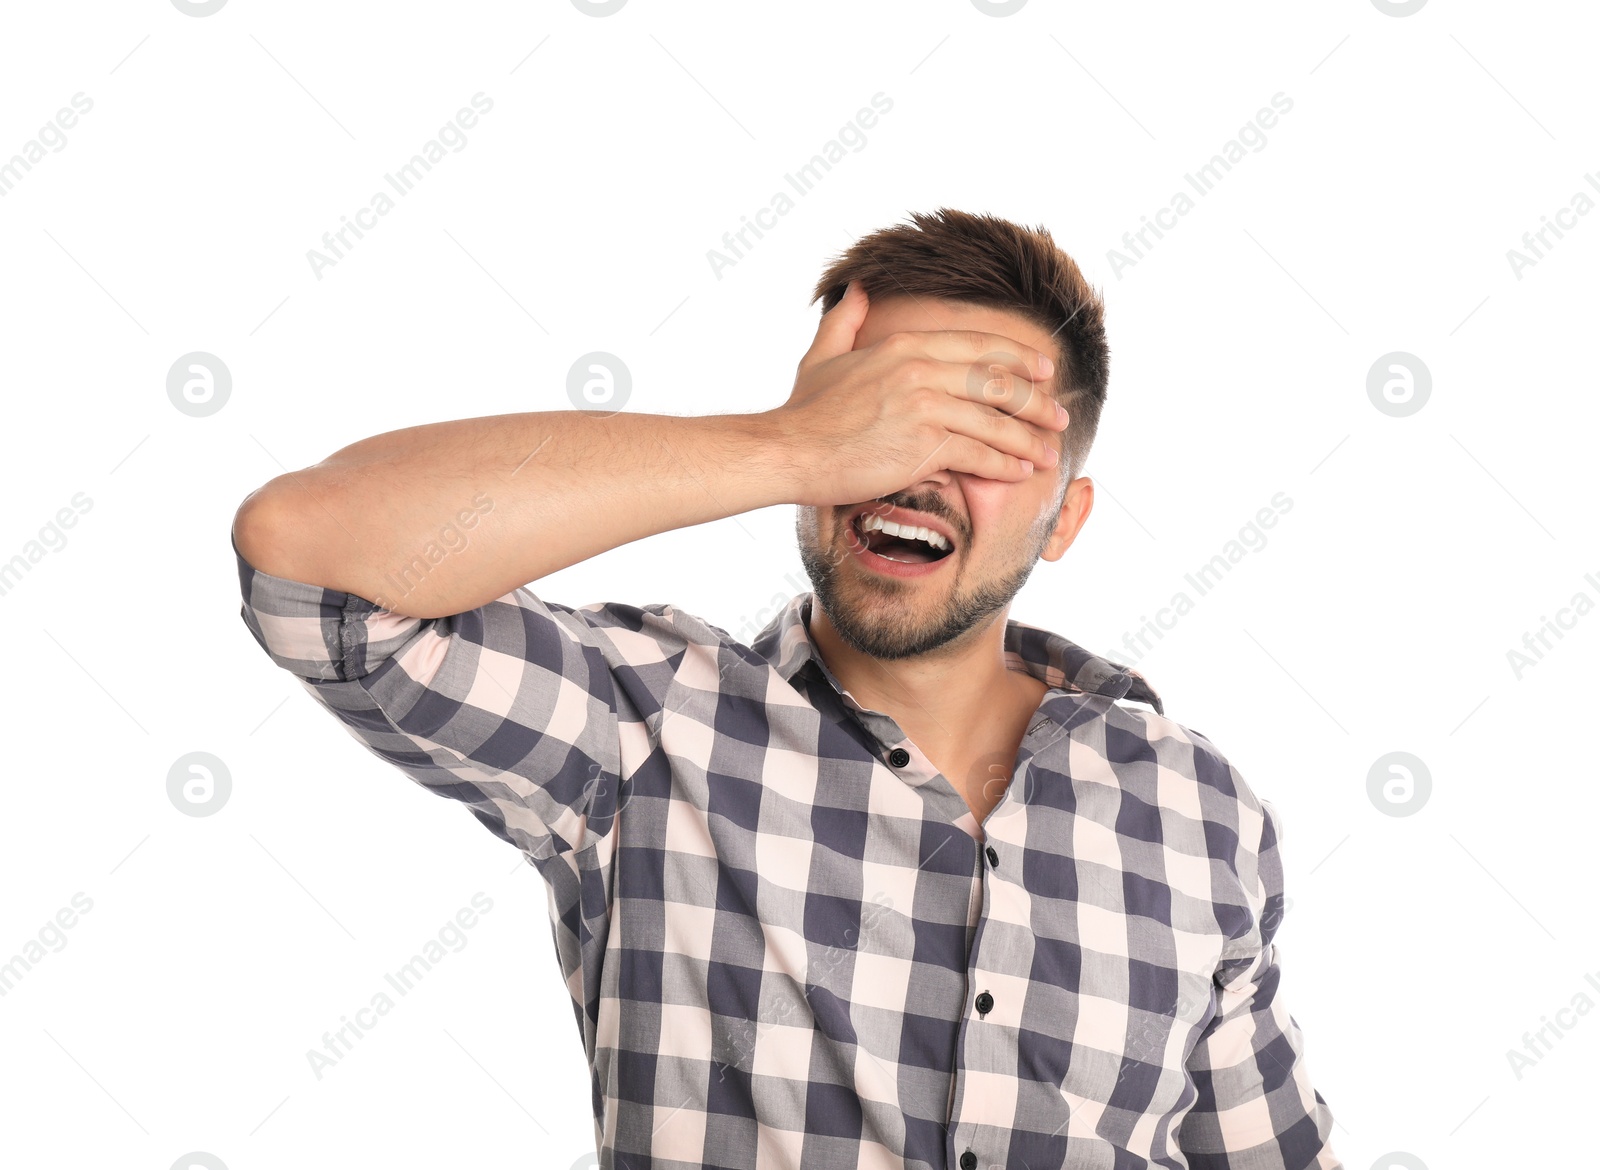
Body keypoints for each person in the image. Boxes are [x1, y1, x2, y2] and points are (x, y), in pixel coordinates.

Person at [232, 208, 1341, 1169]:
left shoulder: (1198, 807)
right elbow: (307, 556)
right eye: (888, 413)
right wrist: (788, 443)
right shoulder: (644, 727)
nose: (913, 467)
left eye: (985, 431)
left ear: (1067, 517)